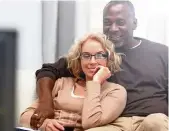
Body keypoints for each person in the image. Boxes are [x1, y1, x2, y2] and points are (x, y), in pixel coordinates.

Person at [30, 1, 168, 131]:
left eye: (120, 22)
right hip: (112, 123)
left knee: (156, 123)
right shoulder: (95, 53)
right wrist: (45, 103)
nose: (113, 28)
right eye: (107, 22)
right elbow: (47, 71)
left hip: (152, 119)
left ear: (134, 23)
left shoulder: (161, 52)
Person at [20, 33, 127, 131]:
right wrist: (45, 123)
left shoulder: (116, 91)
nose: (92, 62)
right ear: (79, 60)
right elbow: (24, 117)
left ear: (108, 59)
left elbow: (90, 123)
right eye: (86, 56)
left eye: (99, 55)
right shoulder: (61, 83)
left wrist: (95, 82)